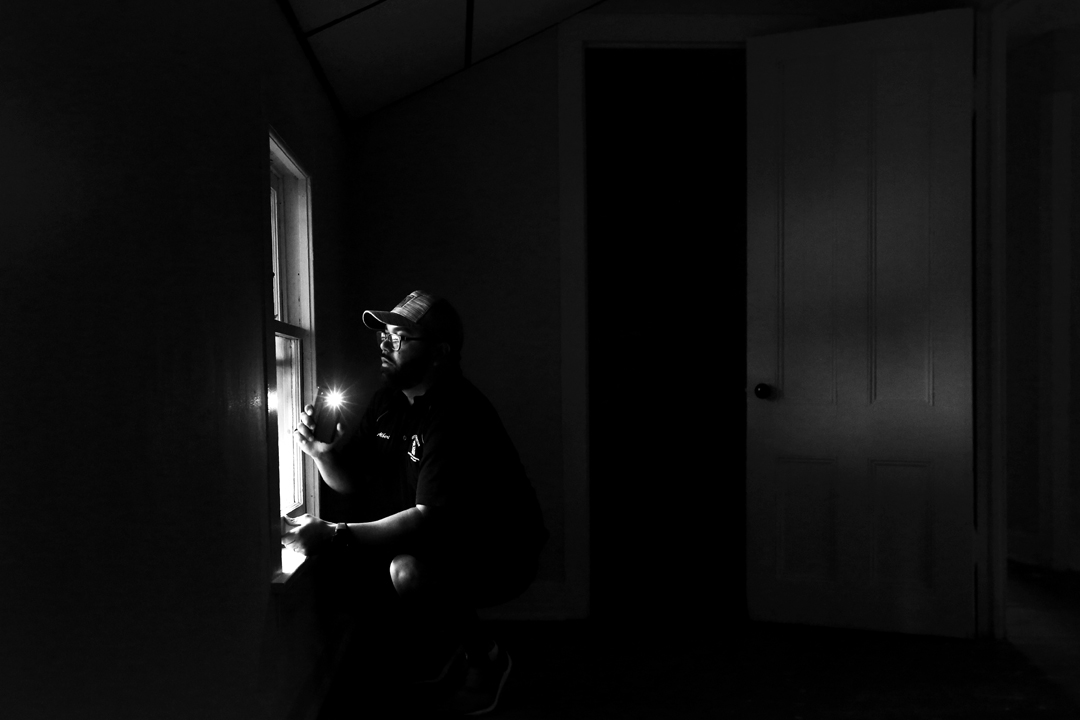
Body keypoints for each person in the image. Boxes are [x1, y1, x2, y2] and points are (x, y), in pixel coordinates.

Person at [281, 290, 548, 716]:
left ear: (439, 352)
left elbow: (427, 520)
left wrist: (333, 535)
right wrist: (320, 452)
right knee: (375, 559)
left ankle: (486, 660)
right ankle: (448, 654)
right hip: (449, 537)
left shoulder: (457, 414)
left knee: (404, 570)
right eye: (384, 334)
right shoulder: (388, 403)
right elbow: (350, 481)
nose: (385, 344)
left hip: (503, 549)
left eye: (399, 337)